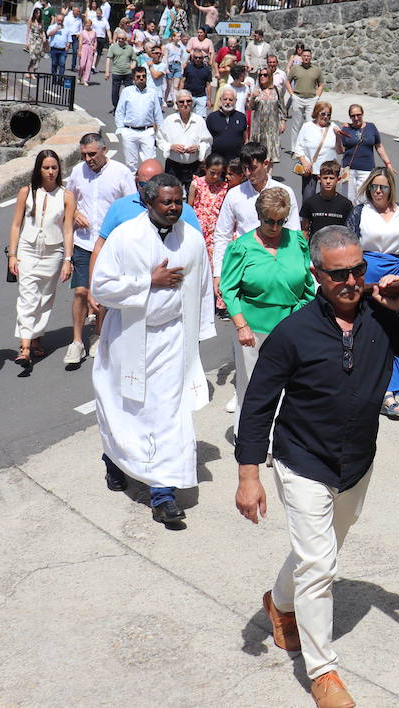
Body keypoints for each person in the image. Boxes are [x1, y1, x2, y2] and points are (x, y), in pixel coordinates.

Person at [234, 225, 399, 708]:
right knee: (321, 563)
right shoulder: (293, 333)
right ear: (316, 274)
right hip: (302, 461)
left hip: (357, 464)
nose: (352, 282)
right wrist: (248, 475)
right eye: (339, 275)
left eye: (358, 270)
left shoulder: (381, 316)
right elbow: (258, 405)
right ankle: (323, 673)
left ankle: (279, 603)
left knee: (318, 555)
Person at [93, 174, 215, 527]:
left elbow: (202, 285)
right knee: (123, 409)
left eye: (179, 201)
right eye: (167, 202)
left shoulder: (190, 239)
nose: (175, 207)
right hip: (128, 336)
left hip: (172, 338)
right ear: (148, 202)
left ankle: (163, 495)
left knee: (167, 414)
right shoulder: (125, 236)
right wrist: (148, 281)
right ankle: (115, 460)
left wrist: (199, 333)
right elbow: (101, 287)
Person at [220, 187, 315, 414]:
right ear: (258, 216)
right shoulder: (241, 247)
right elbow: (229, 290)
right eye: (269, 221)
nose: (274, 228)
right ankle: (250, 440)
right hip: (253, 330)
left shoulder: (297, 242)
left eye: (280, 222)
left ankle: (280, 441)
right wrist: (241, 326)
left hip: (291, 327)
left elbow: (308, 285)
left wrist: (302, 315)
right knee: (253, 387)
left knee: (290, 388)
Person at [344, 167, 399, 419]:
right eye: (373, 186)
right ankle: (362, 384)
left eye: (382, 186)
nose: (377, 191)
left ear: (391, 188)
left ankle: (389, 391)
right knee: (363, 331)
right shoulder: (359, 212)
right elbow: (348, 246)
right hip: (365, 277)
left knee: (395, 331)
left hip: (395, 277)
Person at [64, 133, 134, 365]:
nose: (88, 159)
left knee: (103, 292)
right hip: (84, 241)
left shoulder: (121, 172)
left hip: (110, 244)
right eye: (84, 154)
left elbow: (131, 205)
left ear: (104, 150)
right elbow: (68, 198)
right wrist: (74, 213)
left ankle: (98, 332)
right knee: (81, 293)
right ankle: (76, 342)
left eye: (92, 154)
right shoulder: (77, 172)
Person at [7, 150, 76, 368]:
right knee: (28, 297)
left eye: (54, 167)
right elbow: (16, 225)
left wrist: (67, 259)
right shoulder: (25, 192)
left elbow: (67, 230)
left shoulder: (66, 195)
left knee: (45, 298)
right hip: (27, 250)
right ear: (39, 169)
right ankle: (25, 346)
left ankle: (35, 336)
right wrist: (13, 255)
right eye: (46, 167)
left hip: (53, 252)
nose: (50, 172)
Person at [212, 143, 300, 307]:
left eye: (252, 168)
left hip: (278, 265)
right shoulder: (234, 195)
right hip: (245, 268)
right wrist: (218, 272)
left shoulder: (285, 192)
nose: (247, 173)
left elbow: (294, 233)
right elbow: (222, 235)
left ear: (265, 164)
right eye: (244, 169)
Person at [337, 104, 393, 201]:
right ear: (350, 117)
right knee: (348, 200)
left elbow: (379, 146)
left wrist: (388, 163)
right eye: (353, 116)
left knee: (364, 199)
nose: (356, 118)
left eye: (358, 115)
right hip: (348, 170)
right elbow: (340, 150)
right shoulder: (345, 129)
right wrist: (337, 137)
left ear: (363, 114)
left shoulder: (371, 127)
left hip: (366, 169)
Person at [157, 90, 210, 193]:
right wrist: (171, 147)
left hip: (194, 166)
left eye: (188, 101)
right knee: (172, 195)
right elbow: (159, 139)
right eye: (181, 102)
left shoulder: (199, 121)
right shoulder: (169, 120)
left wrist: (199, 147)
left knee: (194, 196)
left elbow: (207, 141)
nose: (185, 104)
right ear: (176, 104)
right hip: (173, 167)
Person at [115, 66, 162, 172]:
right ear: (133, 78)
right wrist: (121, 129)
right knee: (131, 164)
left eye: (144, 76)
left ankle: (148, 186)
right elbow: (120, 111)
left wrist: (160, 134)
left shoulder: (152, 93)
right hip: (129, 131)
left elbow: (158, 114)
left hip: (147, 131)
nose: (141, 78)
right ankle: (132, 186)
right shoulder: (127, 91)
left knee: (150, 162)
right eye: (138, 76)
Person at [293, 101, 341, 200]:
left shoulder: (334, 127)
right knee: (308, 198)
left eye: (328, 114)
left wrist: (339, 136)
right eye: (323, 114)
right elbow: (299, 147)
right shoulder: (307, 126)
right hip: (310, 169)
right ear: (316, 113)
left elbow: (340, 149)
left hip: (329, 170)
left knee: (328, 199)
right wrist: (304, 162)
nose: (326, 117)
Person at [300, 160, 352, 240]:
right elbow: (305, 229)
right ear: (319, 179)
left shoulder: (346, 204)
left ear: (338, 180)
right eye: (325, 178)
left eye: (331, 178)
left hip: (337, 248)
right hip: (315, 248)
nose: (328, 181)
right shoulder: (310, 202)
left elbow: (349, 231)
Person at [288, 48, 324, 153]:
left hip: (311, 100)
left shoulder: (316, 69)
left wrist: (317, 96)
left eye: (308, 56)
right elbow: (287, 82)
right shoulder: (295, 68)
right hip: (298, 98)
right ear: (301, 57)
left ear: (311, 57)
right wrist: (292, 95)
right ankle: (294, 149)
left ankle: (309, 148)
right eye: (304, 56)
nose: (306, 58)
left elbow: (321, 84)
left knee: (311, 124)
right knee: (296, 125)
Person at [248, 67, 288, 162]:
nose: (262, 77)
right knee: (258, 151)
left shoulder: (277, 90)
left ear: (270, 77)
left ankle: (269, 174)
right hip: (259, 127)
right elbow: (251, 107)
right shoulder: (257, 90)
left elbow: (282, 107)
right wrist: (253, 97)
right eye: (260, 75)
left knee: (271, 150)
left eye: (265, 75)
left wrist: (283, 122)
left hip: (272, 126)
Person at [206, 87, 249, 162]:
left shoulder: (241, 117)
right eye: (225, 99)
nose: (227, 102)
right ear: (220, 100)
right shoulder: (212, 117)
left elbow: (246, 139)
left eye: (231, 100)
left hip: (236, 160)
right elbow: (206, 140)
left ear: (235, 101)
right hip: (216, 160)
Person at [105, 29, 136, 111]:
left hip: (127, 73)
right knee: (115, 92)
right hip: (116, 72)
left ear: (126, 39)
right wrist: (107, 72)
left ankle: (128, 107)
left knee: (129, 91)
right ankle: (117, 107)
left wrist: (133, 65)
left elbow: (134, 59)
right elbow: (108, 59)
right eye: (119, 38)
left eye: (122, 39)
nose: (121, 40)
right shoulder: (113, 47)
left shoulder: (129, 48)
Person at [46, 13, 71, 88]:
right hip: (54, 48)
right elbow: (48, 34)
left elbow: (69, 40)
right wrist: (56, 29)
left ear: (63, 20)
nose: (60, 22)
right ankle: (54, 78)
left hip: (63, 50)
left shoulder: (67, 29)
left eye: (61, 20)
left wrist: (67, 47)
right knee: (54, 64)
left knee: (62, 64)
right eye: (58, 20)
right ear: (56, 19)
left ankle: (60, 79)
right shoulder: (52, 27)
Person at [164, 32, 186, 105]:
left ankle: (175, 102)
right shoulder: (168, 46)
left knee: (176, 86)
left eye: (179, 37)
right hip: (170, 65)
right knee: (169, 86)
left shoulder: (180, 47)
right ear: (173, 37)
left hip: (178, 66)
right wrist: (166, 68)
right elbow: (166, 57)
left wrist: (182, 68)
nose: (179, 38)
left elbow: (182, 58)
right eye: (177, 36)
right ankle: (165, 100)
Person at [145, 44, 169, 110]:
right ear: (152, 54)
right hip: (146, 93)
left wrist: (150, 66)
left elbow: (156, 76)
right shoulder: (144, 65)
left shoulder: (163, 66)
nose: (158, 55)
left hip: (157, 94)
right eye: (156, 53)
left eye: (160, 53)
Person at [24, 6, 46, 75]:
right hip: (32, 40)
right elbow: (27, 32)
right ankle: (28, 69)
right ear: (34, 13)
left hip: (39, 40)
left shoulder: (41, 21)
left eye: (39, 13)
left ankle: (33, 71)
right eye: (37, 13)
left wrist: (44, 37)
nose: (38, 15)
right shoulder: (31, 20)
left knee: (38, 57)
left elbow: (42, 31)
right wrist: (26, 42)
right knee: (32, 56)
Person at [77, 15, 97, 87]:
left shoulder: (94, 32)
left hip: (90, 48)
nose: (88, 25)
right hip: (84, 47)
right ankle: (80, 75)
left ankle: (86, 80)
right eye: (86, 24)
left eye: (89, 24)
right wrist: (79, 50)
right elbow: (80, 42)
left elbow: (95, 41)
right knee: (82, 64)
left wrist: (94, 47)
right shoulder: (82, 32)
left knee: (89, 65)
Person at [62, 4, 83, 73]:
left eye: (78, 11)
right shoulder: (68, 18)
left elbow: (80, 30)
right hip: (68, 35)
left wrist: (79, 34)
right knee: (66, 51)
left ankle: (73, 66)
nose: (77, 12)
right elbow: (64, 26)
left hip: (75, 36)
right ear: (73, 11)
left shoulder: (79, 20)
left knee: (74, 52)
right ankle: (62, 64)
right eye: (76, 11)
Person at [91, 2, 110, 76]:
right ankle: (92, 65)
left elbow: (108, 30)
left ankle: (94, 66)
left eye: (99, 13)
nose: (98, 14)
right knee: (94, 52)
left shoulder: (105, 20)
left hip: (102, 38)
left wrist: (110, 38)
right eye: (97, 13)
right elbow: (90, 29)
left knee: (98, 53)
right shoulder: (93, 20)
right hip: (95, 37)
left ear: (101, 13)